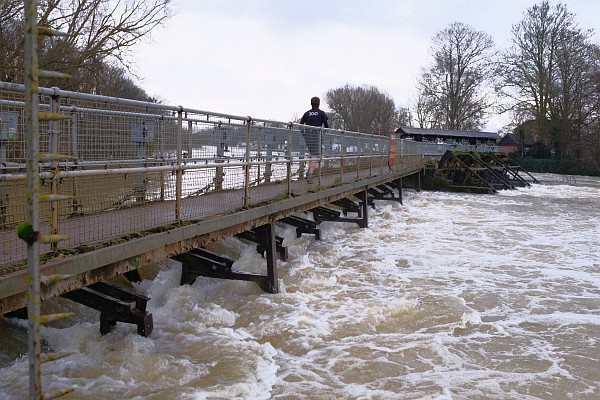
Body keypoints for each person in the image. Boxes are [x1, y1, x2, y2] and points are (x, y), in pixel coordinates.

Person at [299, 96, 329, 183]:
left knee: (312, 155)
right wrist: (323, 133)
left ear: (311, 104)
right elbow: (327, 126)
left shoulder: (307, 113)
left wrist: (304, 134)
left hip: (308, 136)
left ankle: (309, 172)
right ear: (318, 104)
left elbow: (300, 125)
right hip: (317, 136)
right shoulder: (321, 113)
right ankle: (309, 175)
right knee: (315, 156)